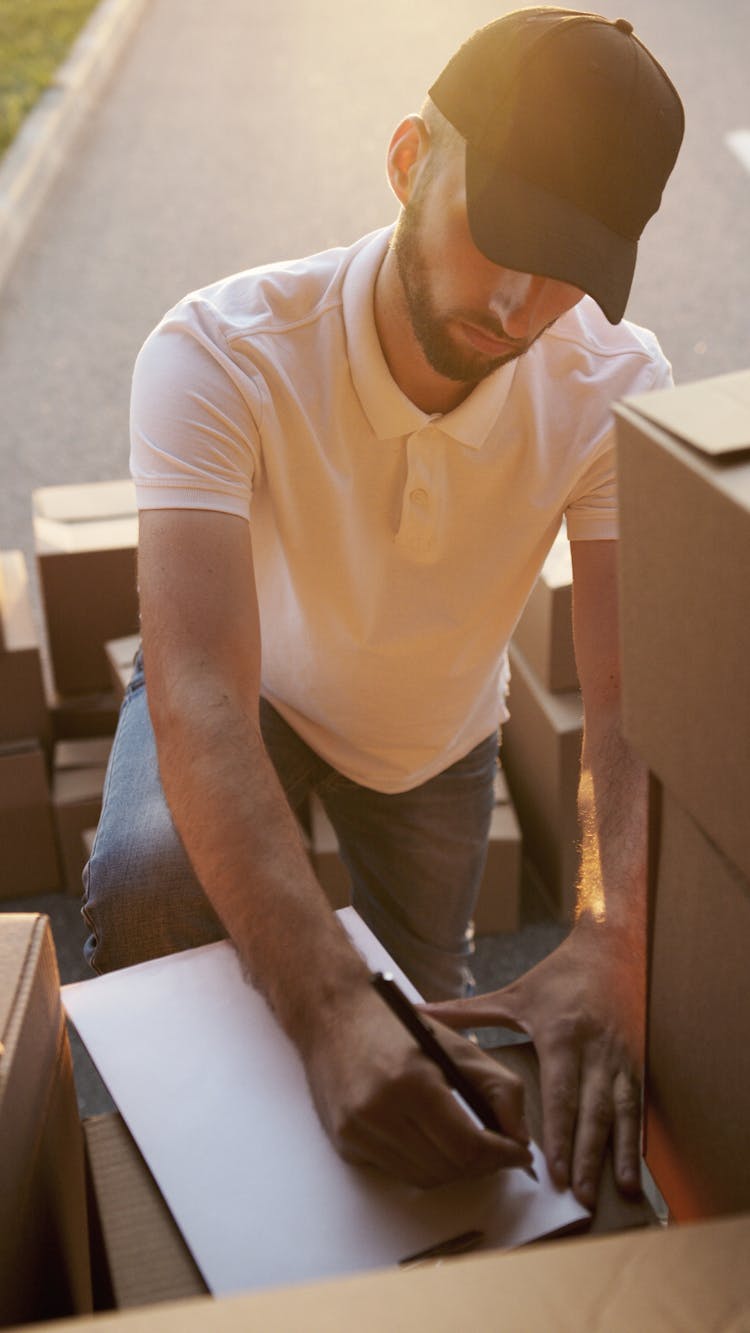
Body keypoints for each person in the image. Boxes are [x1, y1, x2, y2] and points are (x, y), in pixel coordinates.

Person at [83, 8, 684, 1208]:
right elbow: (197, 685)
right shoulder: (218, 350)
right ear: (411, 161)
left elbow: (627, 699)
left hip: (434, 731)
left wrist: (610, 932)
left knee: (427, 1009)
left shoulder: (614, 382)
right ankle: (191, 1170)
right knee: (158, 882)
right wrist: (322, 1010)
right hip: (248, 689)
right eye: (498, 233)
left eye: (565, 267)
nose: (516, 302)